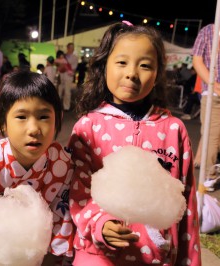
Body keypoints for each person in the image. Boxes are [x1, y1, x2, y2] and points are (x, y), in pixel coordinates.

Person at [68, 22, 201, 265]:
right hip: (97, 256)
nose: (131, 73)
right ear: (104, 66)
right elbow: (77, 193)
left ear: (158, 73)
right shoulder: (88, 127)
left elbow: (187, 206)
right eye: (121, 62)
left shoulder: (173, 129)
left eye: (145, 65)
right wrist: (100, 222)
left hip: (155, 257)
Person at [0, 71, 74, 265]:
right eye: (21, 117)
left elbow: (62, 218)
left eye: (43, 116)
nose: (34, 129)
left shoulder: (62, 162)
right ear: (1, 122)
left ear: (57, 119)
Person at [192, 23, 220, 182]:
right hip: (211, 92)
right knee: (211, 132)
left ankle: (206, 169)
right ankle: (208, 174)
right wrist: (213, 84)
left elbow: (197, 60)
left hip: (210, 90)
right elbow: (197, 60)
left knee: (211, 132)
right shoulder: (209, 31)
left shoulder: (207, 30)